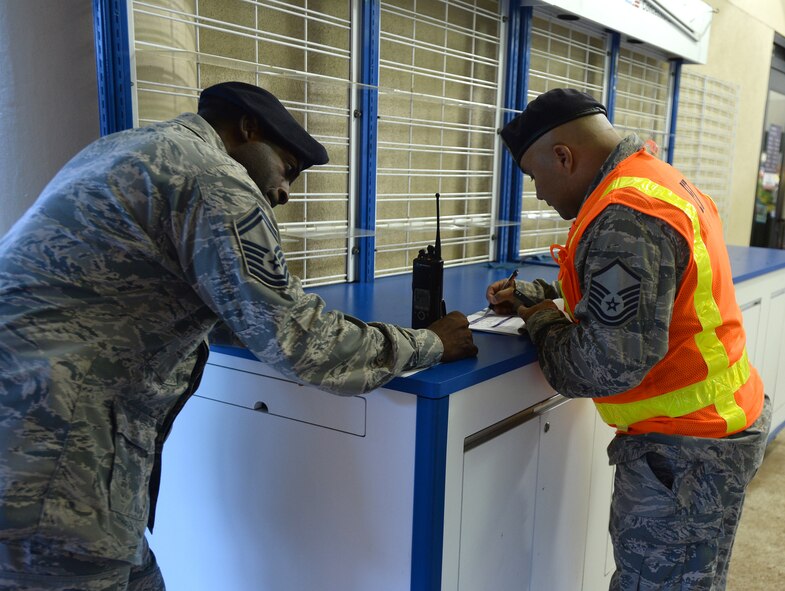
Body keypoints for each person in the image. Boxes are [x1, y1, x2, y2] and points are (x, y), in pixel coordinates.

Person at [0, 80, 477, 590]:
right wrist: (430, 343)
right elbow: (301, 340)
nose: (284, 193)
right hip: (54, 469)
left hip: (38, 443)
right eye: (287, 170)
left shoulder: (129, 149)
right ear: (247, 129)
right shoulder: (215, 179)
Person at [487, 88, 770, 591]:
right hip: (709, 435)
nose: (537, 194)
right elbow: (643, 289)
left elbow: (606, 364)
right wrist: (537, 293)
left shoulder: (626, 214)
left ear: (564, 156)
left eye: (534, 178)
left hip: (684, 456)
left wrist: (541, 322)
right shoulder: (652, 181)